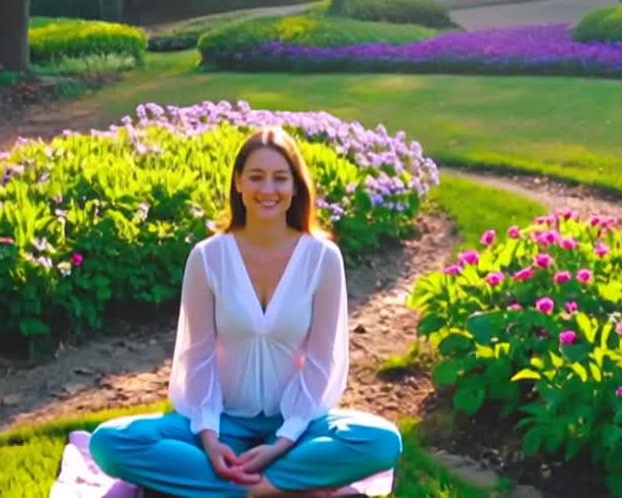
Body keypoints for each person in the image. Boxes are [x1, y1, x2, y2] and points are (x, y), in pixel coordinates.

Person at [90, 126, 403, 497]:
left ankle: (248, 489)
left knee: (381, 441)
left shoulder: (322, 258)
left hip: (297, 426)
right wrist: (208, 438)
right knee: (109, 443)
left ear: (295, 187)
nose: (267, 190)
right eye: (256, 177)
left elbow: (322, 362)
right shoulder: (208, 257)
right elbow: (198, 358)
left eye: (279, 178)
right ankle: (289, 489)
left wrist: (283, 440)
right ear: (238, 182)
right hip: (222, 423)